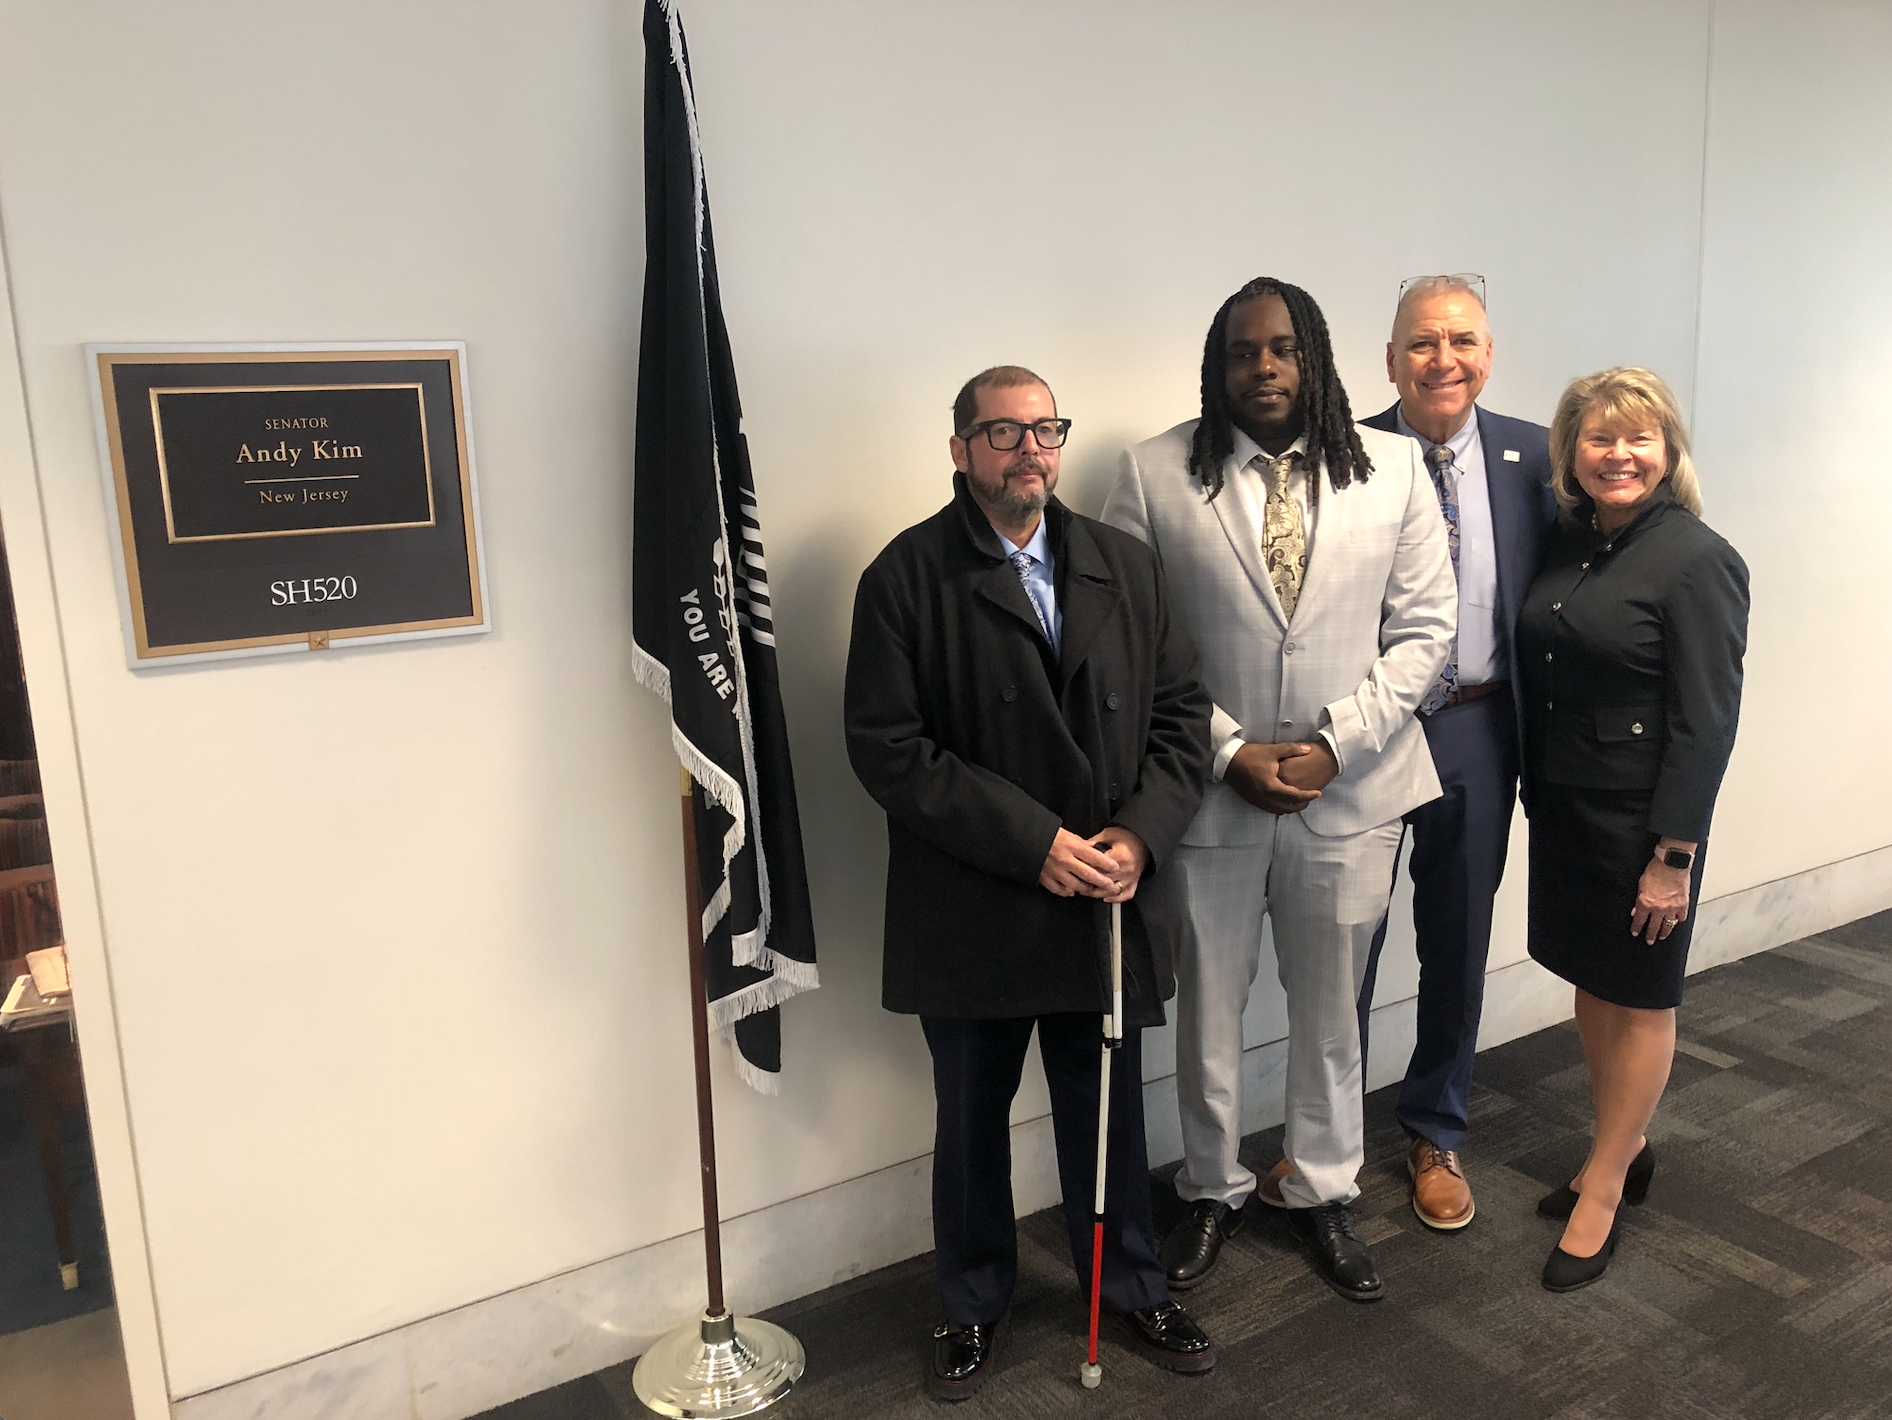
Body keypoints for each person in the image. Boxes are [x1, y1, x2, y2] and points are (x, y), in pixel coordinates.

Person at [844, 365, 1217, 1399]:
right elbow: (887, 748)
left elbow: (1184, 718)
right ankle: (971, 1299)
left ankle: (1130, 1283)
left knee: (1108, 1113)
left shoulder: (1124, 566)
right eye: (1001, 432)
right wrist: (1034, 840)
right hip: (974, 901)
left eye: (1043, 428)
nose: (1029, 450)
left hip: (1103, 891)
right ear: (958, 450)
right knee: (970, 1120)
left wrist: (1139, 836)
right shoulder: (904, 577)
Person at [1103, 280, 1455, 1303]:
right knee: (1208, 1003)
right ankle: (1211, 1185)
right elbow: (1134, 638)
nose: (1262, 368)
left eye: (1283, 349)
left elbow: (1425, 630)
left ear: (1317, 361)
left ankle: (1323, 1184)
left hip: (1350, 792)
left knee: (1328, 1007)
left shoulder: (1390, 469)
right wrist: (1225, 750)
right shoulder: (1155, 472)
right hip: (1207, 796)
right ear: (1215, 367)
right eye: (1242, 353)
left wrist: (1335, 745)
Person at [1517, 366, 1748, 1291]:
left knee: (1645, 996)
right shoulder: (1574, 542)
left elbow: (1707, 720)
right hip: (1569, 805)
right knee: (1596, 984)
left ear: (1669, 449)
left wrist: (1674, 855)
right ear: (1573, 452)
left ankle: (1605, 1183)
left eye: (1638, 438)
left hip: (1644, 825)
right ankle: (1623, 1142)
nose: (1619, 455)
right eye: (1600, 438)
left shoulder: (1697, 558)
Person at [1354, 275, 1559, 1230]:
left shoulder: (1535, 458)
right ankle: (1327, 1143)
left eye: (1464, 341)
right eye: (1424, 342)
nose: (1446, 360)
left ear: (1489, 353)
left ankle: (1436, 1128)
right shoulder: (1340, 453)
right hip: (1364, 732)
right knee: (1343, 949)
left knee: (1457, 941)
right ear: (1389, 357)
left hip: (1479, 726)